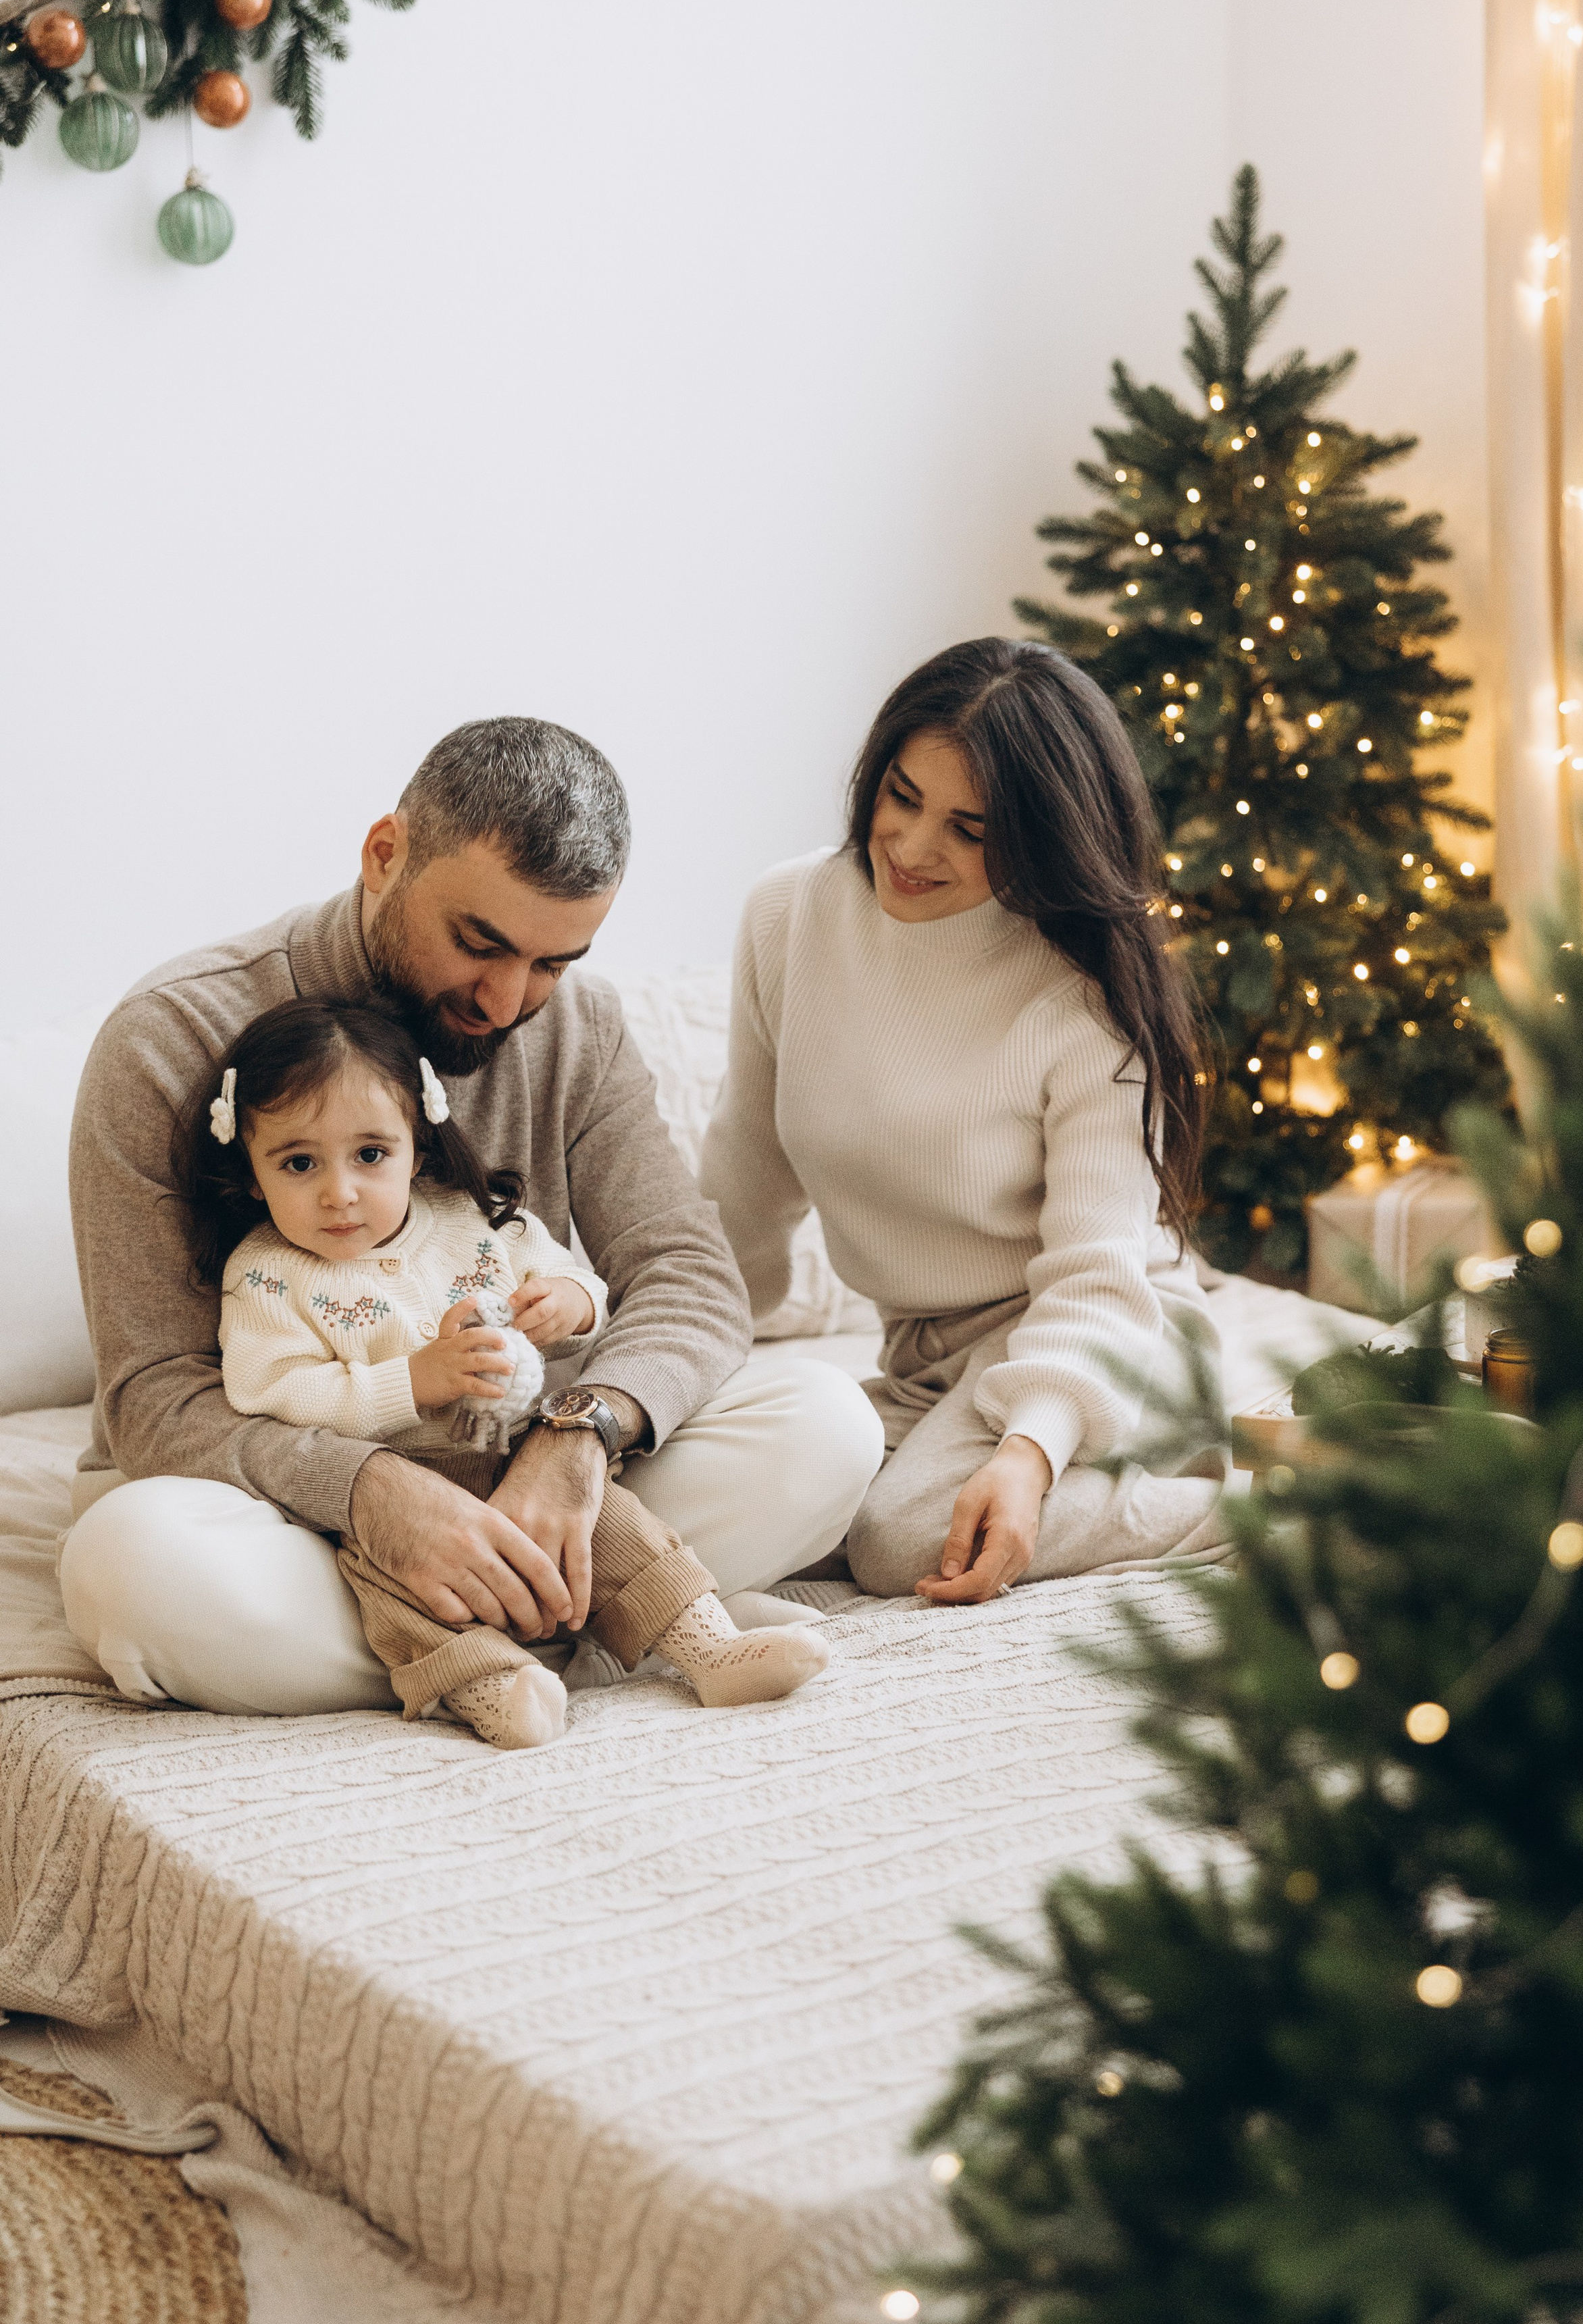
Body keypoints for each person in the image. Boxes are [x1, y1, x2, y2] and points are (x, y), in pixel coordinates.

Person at [60, 718, 882, 1718]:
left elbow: (690, 1278)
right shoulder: (171, 1036)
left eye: (553, 962)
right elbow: (153, 1399)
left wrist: (580, 1437)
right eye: (478, 943)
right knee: (130, 1565)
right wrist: (372, 1492)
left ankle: (496, 1633)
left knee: (828, 1423)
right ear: (384, 857)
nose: (506, 1000)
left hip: (520, 1468)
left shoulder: (578, 1028)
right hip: (278, 1507)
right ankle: (599, 1623)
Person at [700, 637, 1231, 1603]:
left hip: (1107, 1344)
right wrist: (654, 1366)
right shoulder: (788, 918)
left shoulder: (1083, 1001)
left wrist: (1030, 1454)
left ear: (1037, 840)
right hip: (925, 1367)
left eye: (969, 829)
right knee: (752, 1504)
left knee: (899, 1539)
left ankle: (1262, 1516)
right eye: (901, 796)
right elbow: (743, 1186)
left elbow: (1101, 1277)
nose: (910, 847)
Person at [151, 996, 829, 1749]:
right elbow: (267, 1391)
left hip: (524, 1454)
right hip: (391, 1488)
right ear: (249, 1171)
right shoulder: (268, 1277)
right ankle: (493, 1685)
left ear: (416, 1142)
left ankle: (708, 1647)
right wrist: (415, 1380)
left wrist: (568, 1305)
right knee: (403, 1596)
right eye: (299, 1163)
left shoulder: (475, 1222)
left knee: (621, 1526)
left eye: (370, 1155)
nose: (339, 1192)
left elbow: (582, 1282)